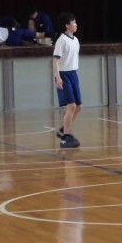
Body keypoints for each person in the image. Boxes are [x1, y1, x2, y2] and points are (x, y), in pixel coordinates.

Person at [52, 12, 82, 149]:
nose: (76, 24)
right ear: (67, 25)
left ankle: (64, 129)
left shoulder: (75, 40)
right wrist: (58, 77)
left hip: (73, 74)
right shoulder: (61, 40)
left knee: (79, 106)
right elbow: (55, 61)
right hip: (64, 75)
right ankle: (65, 137)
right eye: (73, 22)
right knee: (71, 106)